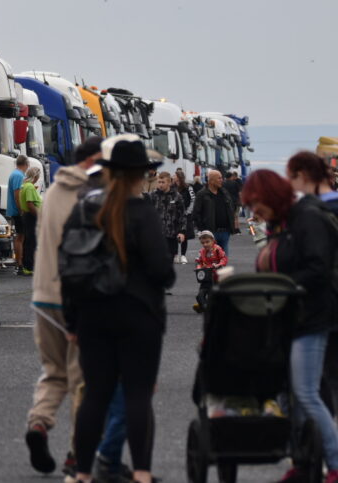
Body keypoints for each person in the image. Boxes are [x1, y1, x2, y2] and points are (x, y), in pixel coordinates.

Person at [63, 135, 176, 483]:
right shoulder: (143, 213)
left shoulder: (85, 209)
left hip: (93, 315)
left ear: (109, 172)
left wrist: (72, 321)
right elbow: (162, 271)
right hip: (140, 314)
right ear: (142, 174)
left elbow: (68, 267)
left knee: (96, 395)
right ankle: (141, 473)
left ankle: (83, 474)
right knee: (137, 395)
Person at [244, 169, 338, 483]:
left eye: (256, 204)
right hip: (287, 317)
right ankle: (302, 463)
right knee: (289, 394)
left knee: (306, 393)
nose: (254, 211)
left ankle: (335, 465)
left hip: (309, 317)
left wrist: (281, 286)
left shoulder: (307, 219)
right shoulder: (281, 223)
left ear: (271, 196)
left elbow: (318, 268)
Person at [25, 135, 101, 477]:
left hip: (43, 294)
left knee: (54, 370)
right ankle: (77, 451)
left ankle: (39, 423)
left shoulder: (54, 189)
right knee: (84, 380)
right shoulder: (95, 193)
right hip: (79, 298)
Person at [287, 151, 338, 417]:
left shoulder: (312, 212)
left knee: (322, 378)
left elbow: (317, 264)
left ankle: (327, 434)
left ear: (303, 175)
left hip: (324, 300)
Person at [150, 171, 186, 268]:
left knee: (168, 264)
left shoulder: (177, 196)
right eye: (159, 182)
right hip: (156, 235)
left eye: (163, 182)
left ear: (169, 182)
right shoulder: (153, 195)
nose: (160, 185)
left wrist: (182, 231)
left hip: (171, 235)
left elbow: (182, 215)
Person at [193, 169, 235, 254]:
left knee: (223, 257)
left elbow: (231, 208)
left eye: (221, 178)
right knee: (211, 258)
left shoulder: (224, 192)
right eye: (219, 178)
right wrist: (202, 229)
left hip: (225, 231)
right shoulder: (202, 194)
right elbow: (196, 213)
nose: (221, 180)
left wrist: (231, 225)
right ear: (211, 180)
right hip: (210, 232)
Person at [191, 230, 227, 313]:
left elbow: (224, 258)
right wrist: (198, 267)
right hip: (206, 275)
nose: (205, 244)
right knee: (200, 295)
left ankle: (211, 306)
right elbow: (198, 261)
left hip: (216, 275)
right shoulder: (202, 251)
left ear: (213, 240)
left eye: (207, 242)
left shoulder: (217, 249)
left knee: (214, 293)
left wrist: (218, 264)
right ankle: (204, 305)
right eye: (203, 243)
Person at [18, 166, 43, 276]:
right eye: (38, 175)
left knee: (28, 241)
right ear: (35, 176)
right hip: (31, 216)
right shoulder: (29, 187)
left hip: (27, 215)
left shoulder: (25, 186)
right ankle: (29, 266)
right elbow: (30, 204)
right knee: (31, 242)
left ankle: (27, 265)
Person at [7, 155, 28, 270]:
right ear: (26, 164)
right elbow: (17, 195)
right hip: (18, 211)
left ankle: (19, 262)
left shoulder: (15, 174)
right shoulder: (18, 175)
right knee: (20, 236)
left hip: (15, 210)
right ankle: (19, 263)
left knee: (20, 236)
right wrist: (21, 210)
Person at [175, 169, 196, 265]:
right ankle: (175, 254)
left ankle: (183, 255)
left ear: (179, 177)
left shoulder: (189, 187)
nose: (174, 178)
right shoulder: (172, 187)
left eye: (175, 176)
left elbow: (193, 200)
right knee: (174, 235)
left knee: (185, 235)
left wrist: (188, 211)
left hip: (186, 214)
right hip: (174, 215)